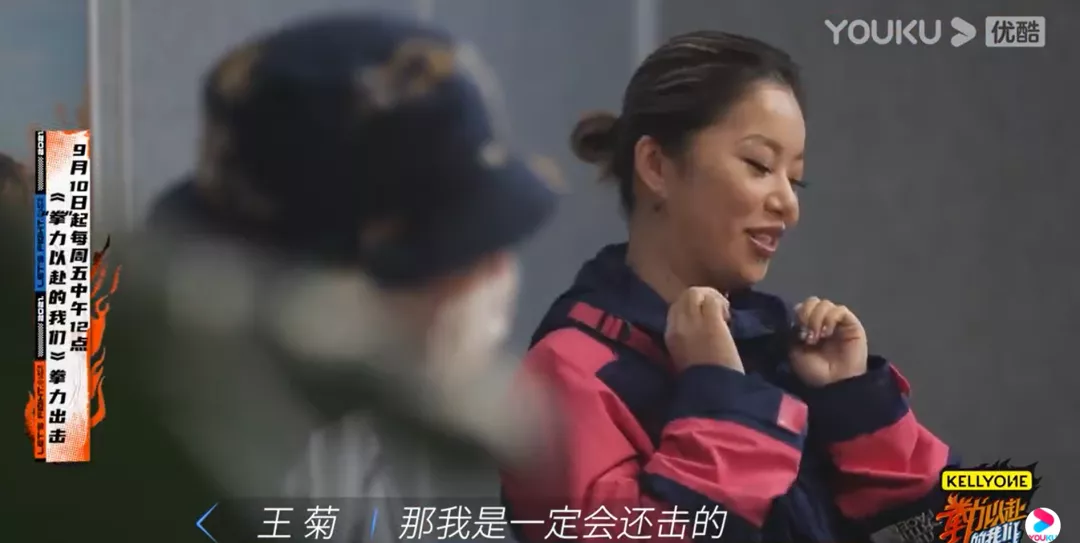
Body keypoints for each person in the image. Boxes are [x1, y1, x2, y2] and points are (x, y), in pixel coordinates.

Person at [500, 31, 956, 543]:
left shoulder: (785, 352)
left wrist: (858, 409)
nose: (789, 205)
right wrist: (720, 396)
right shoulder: (566, 373)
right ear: (657, 166)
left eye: (795, 180)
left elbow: (990, 527)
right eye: (759, 166)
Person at [141, 13, 559, 541]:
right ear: (329, 285)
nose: (500, 275)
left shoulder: (334, 409)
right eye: (465, 249)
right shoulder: (209, 461)